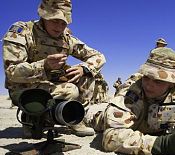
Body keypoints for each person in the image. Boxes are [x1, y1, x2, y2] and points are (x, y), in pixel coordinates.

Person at [2, 0, 106, 138]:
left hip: (52, 85)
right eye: (55, 21)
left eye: (64, 23)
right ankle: (31, 117)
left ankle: (75, 117)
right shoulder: (22, 31)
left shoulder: (66, 39)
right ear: (44, 16)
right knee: (70, 90)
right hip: (25, 88)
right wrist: (44, 65)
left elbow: (98, 56)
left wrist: (83, 68)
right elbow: (12, 72)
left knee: (88, 74)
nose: (59, 27)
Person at [87, 47, 175, 155]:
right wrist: (163, 144)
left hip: (149, 127)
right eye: (146, 77)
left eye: (158, 81)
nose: (149, 85)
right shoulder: (130, 93)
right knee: (90, 119)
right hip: (103, 121)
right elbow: (111, 138)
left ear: (171, 83)